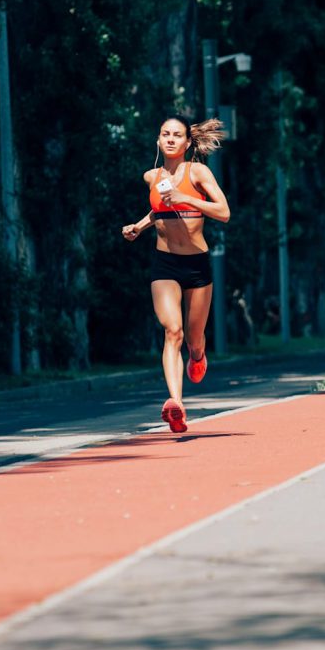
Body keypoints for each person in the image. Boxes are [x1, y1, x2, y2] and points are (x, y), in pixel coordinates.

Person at [121, 116, 230, 432]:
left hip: (197, 265)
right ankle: (176, 405)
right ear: (158, 140)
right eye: (165, 133)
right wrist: (140, 227)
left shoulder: (198, 172)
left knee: (194, 341)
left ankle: (199, 355)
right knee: (173, 331)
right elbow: (161, 210)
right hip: (164, 264)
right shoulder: (151, 176)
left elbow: (223, 212)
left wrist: (187, 197)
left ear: (187, 143)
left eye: (177, 135)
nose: (170, 139)